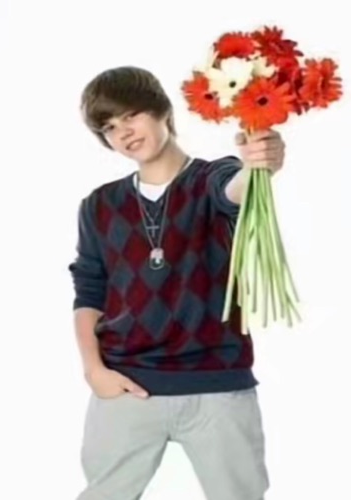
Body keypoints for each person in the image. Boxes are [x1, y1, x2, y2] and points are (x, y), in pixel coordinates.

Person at [68, 65, 285, 500]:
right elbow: (90, 291)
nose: (124, 132)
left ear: (162, 111)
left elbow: (237, 188)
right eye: (109, 127)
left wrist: (260, 164)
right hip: (127, 385)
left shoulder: (211, 180)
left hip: (217, 385)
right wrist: (94, 371)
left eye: (131, 115)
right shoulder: (100, 205)